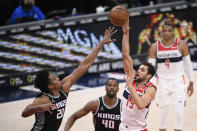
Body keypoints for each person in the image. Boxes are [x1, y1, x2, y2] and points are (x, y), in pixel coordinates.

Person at [21, 27, 117, 131]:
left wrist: (101, 43)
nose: (57, 78)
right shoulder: (43, 99)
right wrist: (40, 107)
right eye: (54, 79)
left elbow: (84, 65)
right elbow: (25, 113)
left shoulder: (64, 88)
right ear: (50, 86)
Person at [148, 19, 194, 131]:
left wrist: (191, 82)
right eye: (165, 31)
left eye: (169, 30)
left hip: (178, 83)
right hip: (162, 84)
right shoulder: (155, 47)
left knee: (179, 115)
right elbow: (150, 69)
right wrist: (150, 86)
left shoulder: (181, 44)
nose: (167, 32)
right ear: (161, 32)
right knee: (162, 118)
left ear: (173, 32)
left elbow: (188, 65)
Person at [120, 20, 157, 131]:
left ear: (148, 76)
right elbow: (126, 56)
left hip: (137, 129)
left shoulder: (151, 89)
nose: (138, 71)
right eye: (138, 69)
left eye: (142, 70)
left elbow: (140, 104)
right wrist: (125, 35)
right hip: (122, 127)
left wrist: (130, 87)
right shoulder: (132, 76)